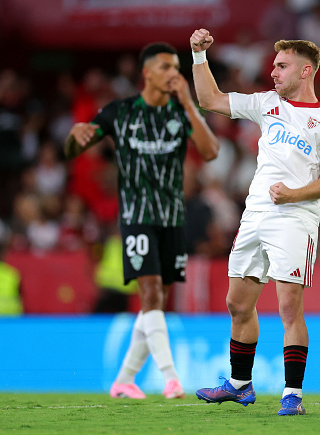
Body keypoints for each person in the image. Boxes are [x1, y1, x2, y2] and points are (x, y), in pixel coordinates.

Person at [189, 28, 320, 415]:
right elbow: (210, 99)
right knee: (237, 303)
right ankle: (240, 384)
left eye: (282, 66)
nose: (273, 72)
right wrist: (198, 56)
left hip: (295, 217)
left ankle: (293, 394)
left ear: (305, 71)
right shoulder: (266, 103)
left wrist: (293, 194)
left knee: (289, 308)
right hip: (255, 214)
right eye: (273, 66)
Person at [65, 42, 219, 399]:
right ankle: (171, 378)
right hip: (137, 215)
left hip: (172, 217)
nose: (173, 73)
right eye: (165, 67)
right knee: (149, 292)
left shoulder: (180, 112)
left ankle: (123, 380)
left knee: (156, 302)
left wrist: (188, 103)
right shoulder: (120, 112)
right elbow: (76, 148)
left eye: (176, 67)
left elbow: (210, 151)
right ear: (147, 73)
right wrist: (73, 139)